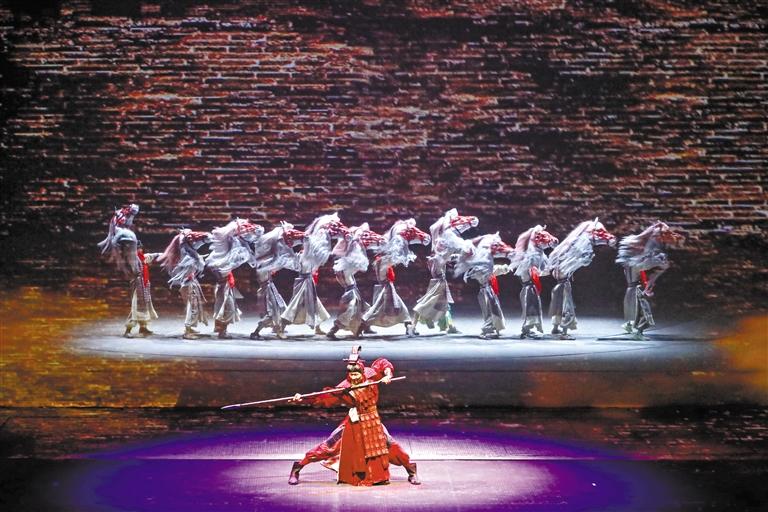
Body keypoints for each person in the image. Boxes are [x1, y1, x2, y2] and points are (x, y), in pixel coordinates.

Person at [287, 346, 420, 486]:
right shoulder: (344, 388)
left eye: (356, 375)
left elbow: (383, 363)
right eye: (351, 375)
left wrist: (388, 375)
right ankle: (298, 467)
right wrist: (302, 398)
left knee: (391, 446)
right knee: (329, 446)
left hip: (373, 421)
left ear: (362, 372)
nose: (354, 377)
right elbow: (323, 397)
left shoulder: (371, 375)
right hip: (353, 423)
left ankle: (411, 470)